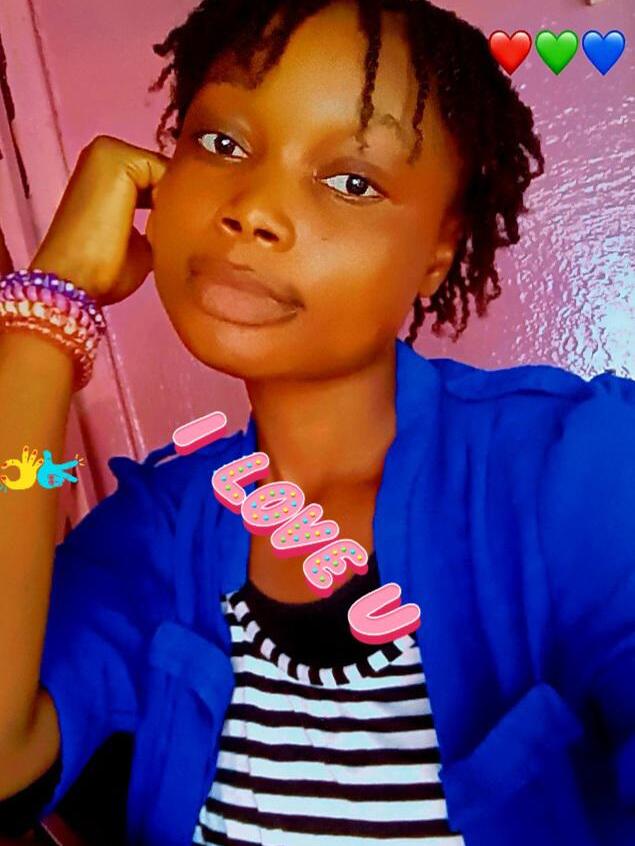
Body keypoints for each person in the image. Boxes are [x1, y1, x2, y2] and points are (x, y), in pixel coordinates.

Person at [0, 1, 634, 844]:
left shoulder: (578, 471)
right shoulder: (155, 530)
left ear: (439, 250)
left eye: (351, 182)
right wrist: (46, 315)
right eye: (221, 142)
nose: (253, 209)